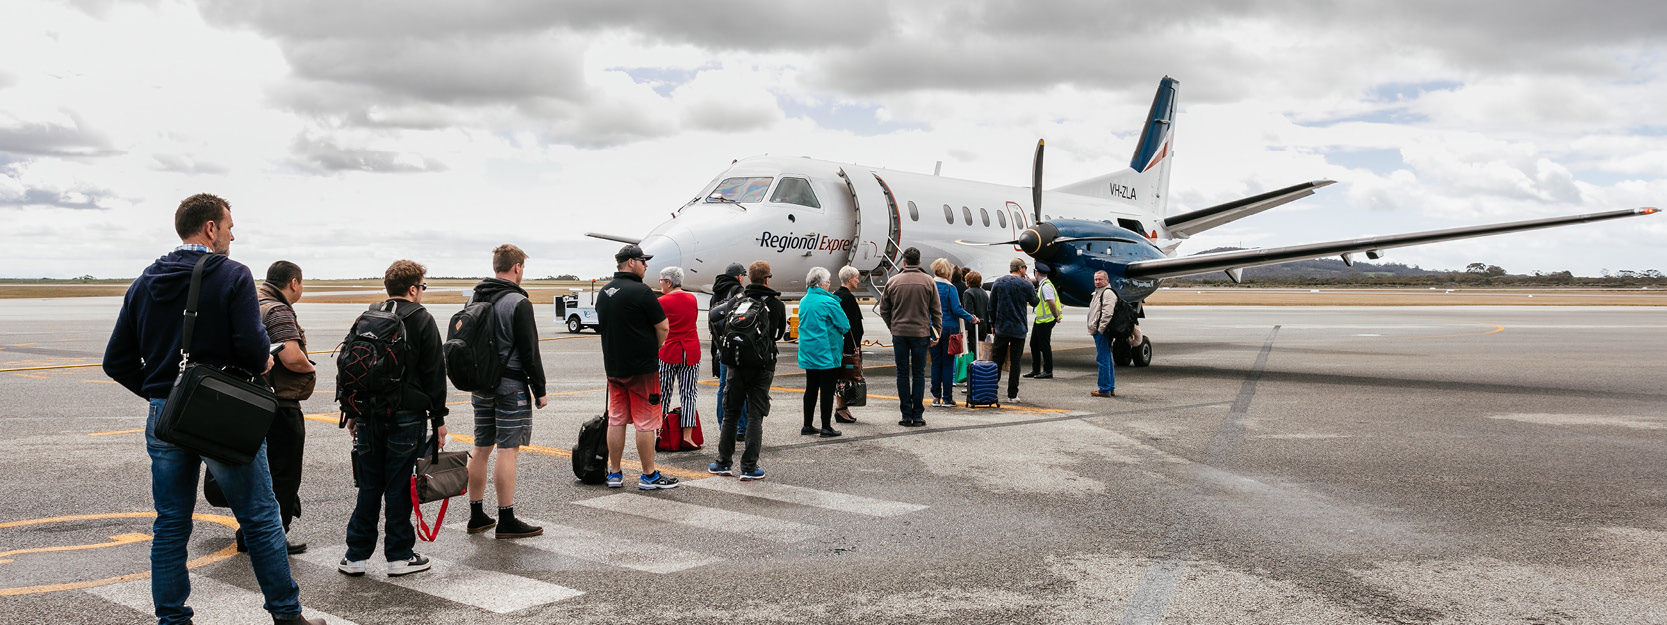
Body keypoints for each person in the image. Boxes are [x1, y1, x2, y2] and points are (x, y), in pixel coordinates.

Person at [102, 193, 325, 625]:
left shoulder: (145, 280)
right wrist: (263, 359)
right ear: (210, 228)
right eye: (228, 226)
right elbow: (250, 348)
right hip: (221, 413)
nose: (232, 234)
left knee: (170, 524)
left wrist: (163, 396)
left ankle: (172, 618)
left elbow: (117, 361)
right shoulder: (232, 275)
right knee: (260, 517)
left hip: (166, 414)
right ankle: (286, 615)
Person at [338, 260, 450, 579]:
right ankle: (399, 555)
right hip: (406, 416)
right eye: (422, 287)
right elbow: (434, 376)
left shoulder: (369, 314)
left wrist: (351, 410)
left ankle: (355, 556)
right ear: (413, 289)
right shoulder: (422, 318)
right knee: (399, 485)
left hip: (369, 414)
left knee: (370, 485)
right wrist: (439, 420)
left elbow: (351, 364)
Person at [464, 244, 547, 538]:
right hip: (511, 386)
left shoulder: (476, 296)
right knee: (508, 450)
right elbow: (529, 350)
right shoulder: (517, 302)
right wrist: (540, 388)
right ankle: (506, 518)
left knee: (481, 447)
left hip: (480, 385)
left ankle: (476, 515)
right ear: (517, 267)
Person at [596, 244, 679, 490]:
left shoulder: (604, 291)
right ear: (631, 262)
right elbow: (663, 326)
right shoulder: (642, 292)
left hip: (614, 367)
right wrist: (655, 347)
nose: (646, 265)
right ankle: (648, 474)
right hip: (642, 369)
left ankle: (614, 472)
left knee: (617, 419)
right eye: (643, 261)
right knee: (646, 422)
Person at [253, 260, 315, 555]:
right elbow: (290, 355)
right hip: (281, 405)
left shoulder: (256, 303)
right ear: (293, 283)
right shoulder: (277, 310)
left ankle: (251, 532)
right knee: (284, 473)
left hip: (257, 401)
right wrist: (309, 367)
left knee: (262, 473)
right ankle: (275, 535)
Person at [709, 260, 786, 479]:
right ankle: (749, 467)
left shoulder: (736, 300)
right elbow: (778, 334)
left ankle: (723, 462)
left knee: (731, 414)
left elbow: (717, 319)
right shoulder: (775, 304)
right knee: (755, 416)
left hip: (736, 363)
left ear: (748, 278)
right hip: (763, 365)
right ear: (767, 279)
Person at [878, 248, 941, 427]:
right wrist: (936, 332)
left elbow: (884, 309)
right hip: (921, 334)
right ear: (919, 262)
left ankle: (906, 415)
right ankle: (918, 414)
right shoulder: (929, 281)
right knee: (919, 374)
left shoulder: (893, 281)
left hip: (900, 334)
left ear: (904, 262)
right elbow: (937, 311)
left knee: (902, 373)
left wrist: (892, 326)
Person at [797, 267, 850, 437]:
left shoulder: (804, 300)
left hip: (808, 351)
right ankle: (826, 426)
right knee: (827, 390)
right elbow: (844, 326)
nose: (829, 285)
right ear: (820, 284)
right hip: (826, 352)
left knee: (811, 388)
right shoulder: (829, 302)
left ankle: (807, 424)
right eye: (827, 282)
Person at [657, 266, 701, 448]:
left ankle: (661, 432)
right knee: (689, 394)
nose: (659, 283)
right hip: (690, 350)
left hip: (669, 350)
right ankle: (687, 436)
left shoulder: (661, 301)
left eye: (661, 280)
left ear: (669, 282)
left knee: (663, 393)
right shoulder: (692, 298)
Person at [928, 258, 978, 407]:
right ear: (947, 272)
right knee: (948, 364)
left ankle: (936, 397)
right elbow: (957, 309)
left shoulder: (930, 286)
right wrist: (971, 318)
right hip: (950, 329)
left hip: (933, 329)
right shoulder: (950, 288)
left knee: (935, 363)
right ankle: (947, 398)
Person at [989, 258, 1039, 403]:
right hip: (1018, 328)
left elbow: (992, 304)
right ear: (1020, 269)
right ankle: (1012, 394)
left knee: (997, 360)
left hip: (1002, 327)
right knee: (1015, 362)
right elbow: (1035, 302)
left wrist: (993, 323)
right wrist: (1032, 286)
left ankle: (992, 391)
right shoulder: (1025, 284)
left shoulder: (999, 282)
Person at [709, 262, 749, 440]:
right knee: (741, 387)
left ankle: (722, 425)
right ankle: (740, 428)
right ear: (739, 276)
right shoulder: (738, 290)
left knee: (723, 387)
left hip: (720, 346)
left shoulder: (715, 292)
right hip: (735, 345)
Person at [832, 265, 865, 423]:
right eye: (856, 278)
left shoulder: (835, 295)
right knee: (846, 377)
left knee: (840, 377)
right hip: (849, 345)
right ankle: (840, 409)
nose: (858, 280)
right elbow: (854, 324)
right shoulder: (849, 298)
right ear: (849, 279)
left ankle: (843, 407)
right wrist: (856, 345)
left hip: (839, 343)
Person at [1085, 270, 1119, 398]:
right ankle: (1109, 387)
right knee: (1107, 359)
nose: (1097, 282)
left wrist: (1100, 329)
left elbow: (1107, 313)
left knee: (1103, 359)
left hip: (1102, 332)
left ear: (1107, 280)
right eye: (1095, 279)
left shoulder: (1107, 293)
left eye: (1100, 279)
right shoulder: (1098, 293)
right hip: (1099, 330)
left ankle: (1104, 389)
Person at [1026, 262, 1062, 380]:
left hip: (1046, 320)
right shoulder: (1043, 285)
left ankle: (1048, 371)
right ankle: (1035, 369)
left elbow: (1050, 301)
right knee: (1034, 344)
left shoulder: (1046, 286)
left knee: (1044, 346)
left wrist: (1056, 315)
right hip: (1040, 320)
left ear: (1036, 273)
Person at [961, 270, 991, 351]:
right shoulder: (984, 292)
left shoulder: (968, 293)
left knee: (973, 350)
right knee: (980, 350)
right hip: (983, 325)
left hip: (974, 325)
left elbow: (968, 311)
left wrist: (966, 328)